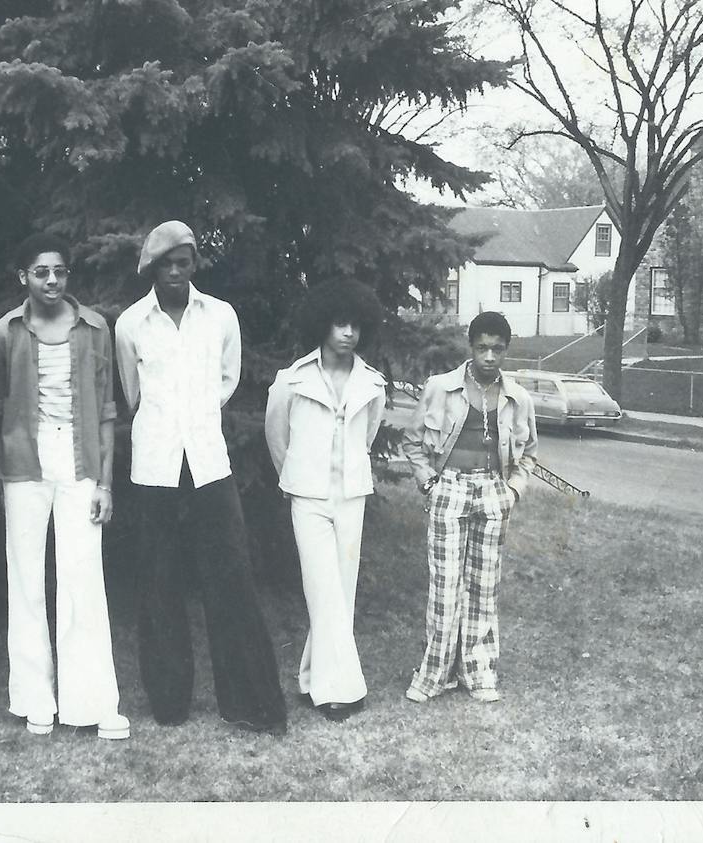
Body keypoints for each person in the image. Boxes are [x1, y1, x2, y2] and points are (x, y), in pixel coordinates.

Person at [115, 219, 287, 734]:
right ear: (151, 268)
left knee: (230, 577)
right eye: (165, 263)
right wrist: (165, 424)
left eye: (183, 262)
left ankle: (247, 700)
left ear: (194, 264)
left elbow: (227, 379)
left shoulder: (221, 317)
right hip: (154, 467)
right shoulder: (130, 325)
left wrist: (197, 419)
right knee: (158, 580)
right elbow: (131, 393)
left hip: (209, 463)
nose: (175, 271)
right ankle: (169, 700)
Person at [0, 232, 128, 741]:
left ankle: (91, 701)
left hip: (80, 458)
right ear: (23, 276)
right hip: (23, 461)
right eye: (40, 271)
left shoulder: (93, 328)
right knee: (25, 579)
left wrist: (105, 482)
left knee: (82, 576)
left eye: (59, 271)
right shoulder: (4, 333)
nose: (51, 280)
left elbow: (107, 408)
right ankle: (34, 698)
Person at [264, 278, 387, 722]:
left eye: (355, 325)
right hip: (308, 496)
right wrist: (295, 479)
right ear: (322, 325)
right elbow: (277, 436)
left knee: (342, 589)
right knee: (322, 588)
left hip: (352, 495)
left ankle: (311, 676)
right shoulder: (292, 380)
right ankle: (340, 691)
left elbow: (367, 436)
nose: (348, 333)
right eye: (339, 324)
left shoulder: (372, 384)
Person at [403, 310, 537, 704]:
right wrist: (428, 482)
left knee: (483, 586)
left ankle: (478, 672)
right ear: (470, 347)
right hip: (449, 489)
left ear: (506, 350)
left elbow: (528, 453)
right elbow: (413, 443)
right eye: (482, 348)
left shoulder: (517, 398)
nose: (489, 357)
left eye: (497, 349)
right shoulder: (440, 388)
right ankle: (435, 675)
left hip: (493, 491)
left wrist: (513, 489)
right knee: (445, 586)